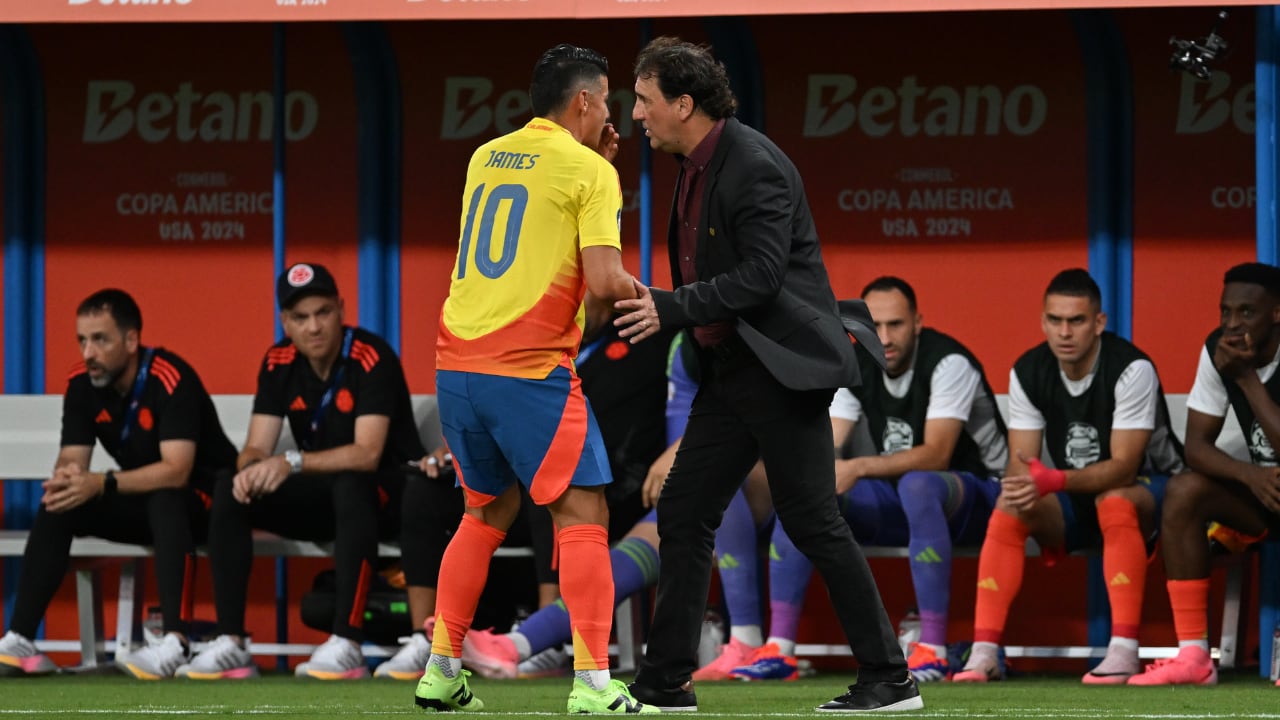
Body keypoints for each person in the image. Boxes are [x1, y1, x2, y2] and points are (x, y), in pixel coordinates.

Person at [614, 36, 922, 713]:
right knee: (687, 510)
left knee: (812, 523)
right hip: (732, 369)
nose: (636, 114)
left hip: (782, 371)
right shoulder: (694, 164)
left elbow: (760, 279)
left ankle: (889, 679)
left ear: (683, 103)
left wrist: (672, 308)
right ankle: (666, 682)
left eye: (643, 100)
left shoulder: (752, 163)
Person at [413, 43, 655, 715]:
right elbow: (605, 286)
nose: (612, 113)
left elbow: (536, 227)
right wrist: (664, 299)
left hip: (455, 365)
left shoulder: (485, 156)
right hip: (527, 369)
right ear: (583, 102)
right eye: (606, 101)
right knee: (584, 517)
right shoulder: (589, 172)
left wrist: (596, 165)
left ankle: (440, 669)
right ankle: (594, 683)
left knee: (484, 513)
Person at [699, 276, 1008, 684]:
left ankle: (932, 650)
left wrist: (857, 467)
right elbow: (831, 437)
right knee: (805, 492)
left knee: (920, 484)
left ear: (917, 322)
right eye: (874, 327)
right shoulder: (857, 360)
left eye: (895, 325)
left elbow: (937, 454)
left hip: (979, 497)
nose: (885, 337)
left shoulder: (948, 362)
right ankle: (780, 650)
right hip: (904, 498)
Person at [177, 262, 456, 681]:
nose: (314, 327)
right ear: (285, 323)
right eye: (301, 318)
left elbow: (367, 453)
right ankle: (232, 641)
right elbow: (255, 446)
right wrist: (251, 470)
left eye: (323, 312)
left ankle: (347, 641)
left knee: (351, 484)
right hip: (329, 495)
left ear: (341, 310)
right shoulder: (278, 361)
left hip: (391, 495)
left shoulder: (369, 355)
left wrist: (289, 463)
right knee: (229, 488)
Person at [952, 268, 1185, 685]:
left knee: (1115, 497)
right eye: (1054, 320)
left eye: (1076, 321)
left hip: (1156, 494)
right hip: (1077, 496)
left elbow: (1125, 466)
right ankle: (985, 652)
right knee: (1011, 503)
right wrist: (1026, 486)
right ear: (1042, 321)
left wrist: (1053, 481)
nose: (1064, 332)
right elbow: (1022, 463)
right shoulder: (1029, 368)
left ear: (1098, 323)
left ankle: (1124, 651)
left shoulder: (1131, 368)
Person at [0, 289, 237, 680]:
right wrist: (67, 478)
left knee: (165, 496)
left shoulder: (169, 377)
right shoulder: (82, 384)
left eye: (100, 339)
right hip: (144, 501)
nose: (88, 352)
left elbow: (177, 470)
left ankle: (175, 642)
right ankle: (20, 637)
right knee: (60, 501)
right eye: (82, 340)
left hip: (208, 505)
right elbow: (73, 458)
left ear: (131, 341)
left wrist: (102, 483)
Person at [1128, 261, 1280, 686]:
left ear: (1277, 313)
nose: (1232, 325)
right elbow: (1195, 448)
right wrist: (1250, 476)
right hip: (1265, 492)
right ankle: (1194, 656)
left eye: (1246, 313)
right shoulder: (1218, 349)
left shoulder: (1241, 364)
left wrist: (1248, 380)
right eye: (1225, 312)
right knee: (1184, 490)